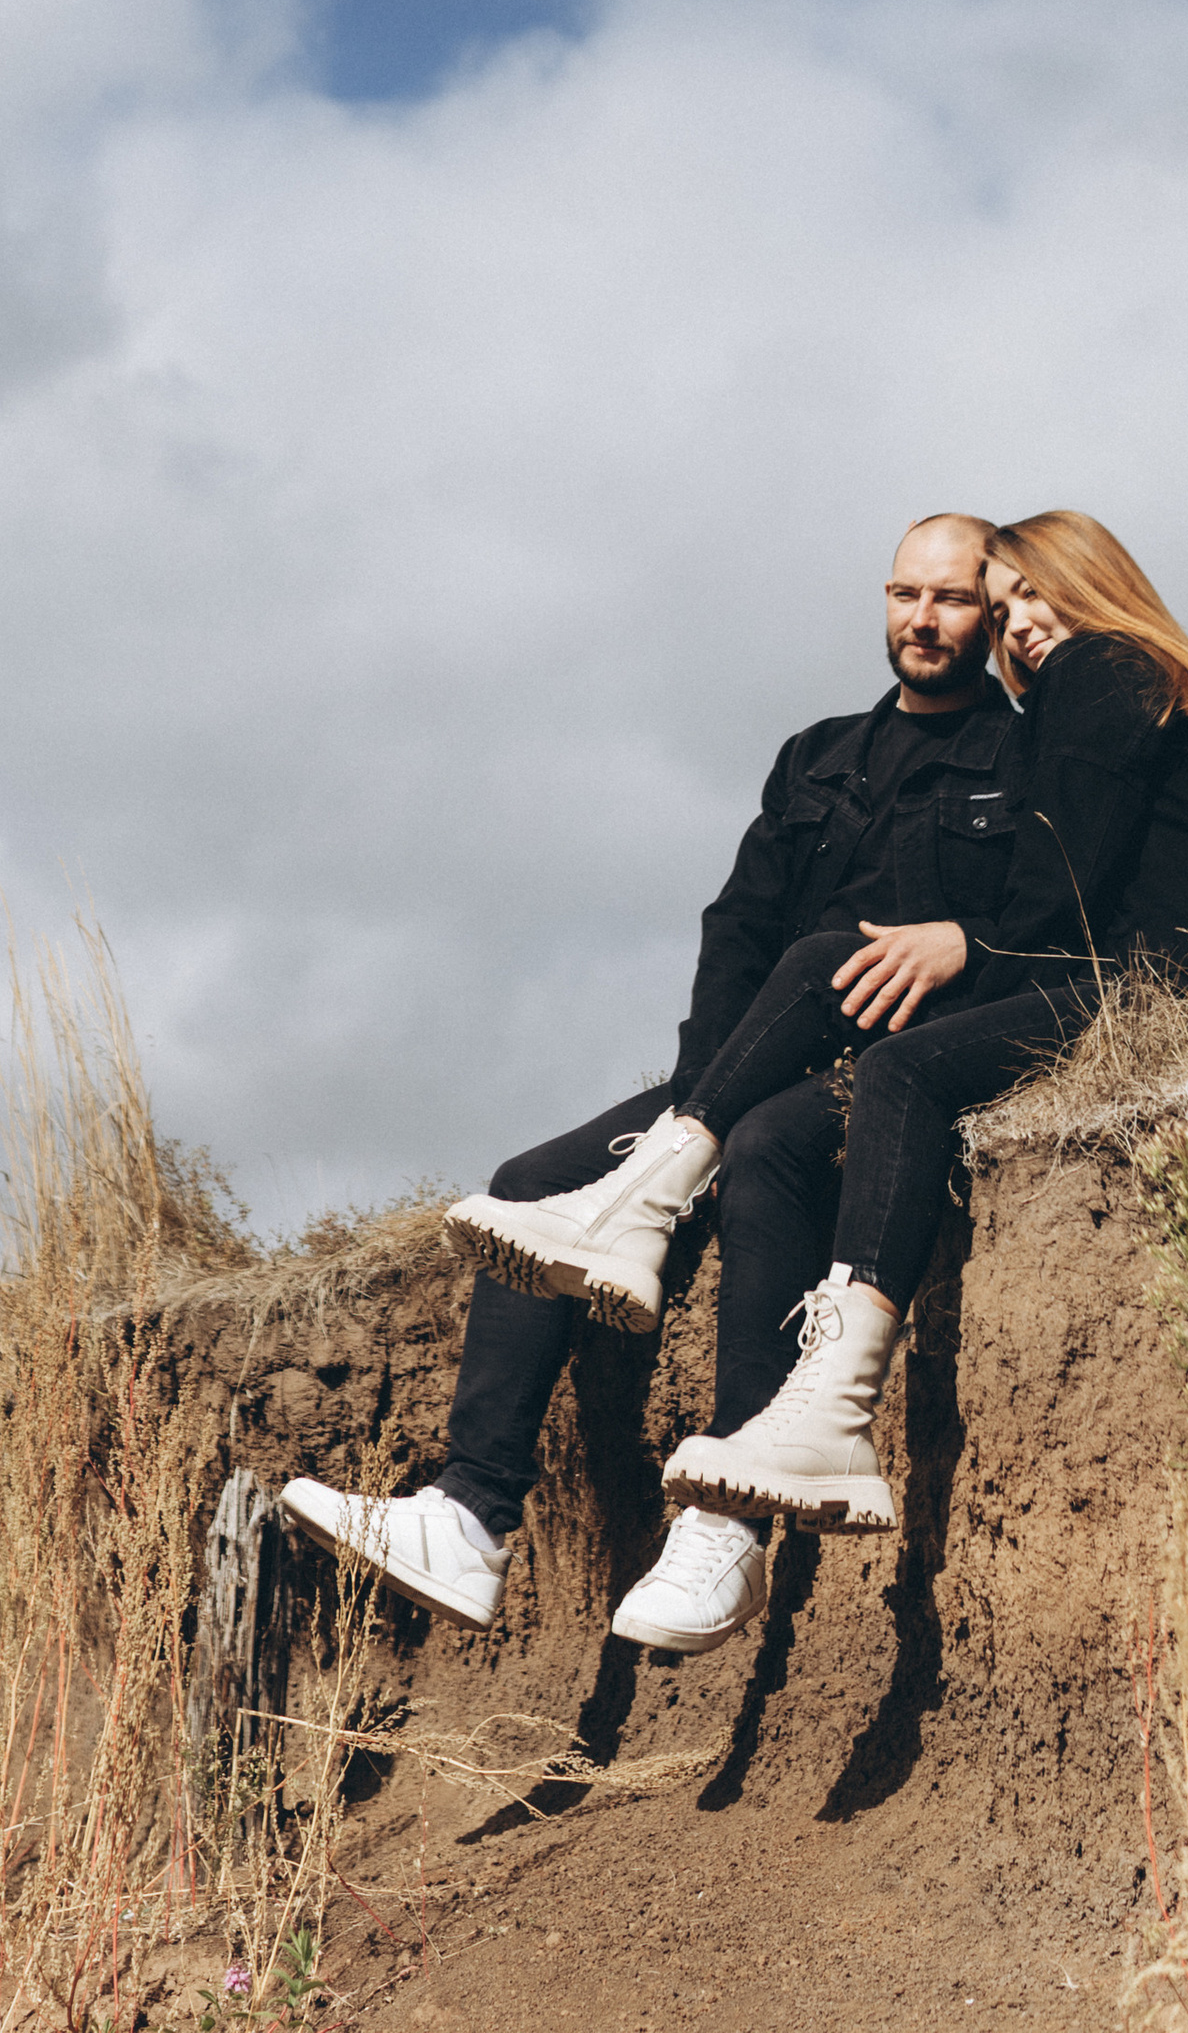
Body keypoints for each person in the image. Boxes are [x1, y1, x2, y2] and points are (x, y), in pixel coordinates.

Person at [502, 511, 1188, 1578]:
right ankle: (659, 1222)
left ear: (1092, 583)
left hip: (1171, 989)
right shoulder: (1125, 685)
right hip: (1157, 976)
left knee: (898, 1060)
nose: (1022, 626)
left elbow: (1061, 888)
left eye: (1026, 594)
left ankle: (784, 1353)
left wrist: (964, 946)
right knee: (824, 1012)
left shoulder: (1101, 671)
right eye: (1006, 605)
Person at [281, 512, 1020, 1659]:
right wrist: (701, 1093)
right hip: (742, 1066)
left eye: (953, 600)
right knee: (530, 1185)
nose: (923, 621)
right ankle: (469, 1519)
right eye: (902, 594)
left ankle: (725, 1527)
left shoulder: (1020, 761)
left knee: (772, 1146)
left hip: (887, 1071)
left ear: (995, 610)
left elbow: (1038, 931)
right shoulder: (816, 754)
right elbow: (736, 932)